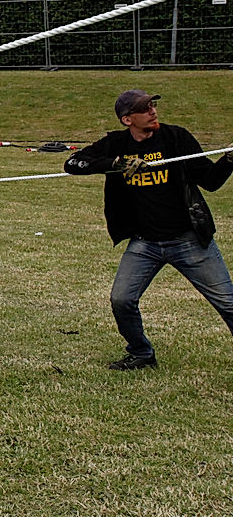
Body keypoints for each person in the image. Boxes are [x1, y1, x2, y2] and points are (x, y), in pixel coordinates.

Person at [64, 89, 233, 370]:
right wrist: (117, 164)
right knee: (121, 300)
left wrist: (228, 160)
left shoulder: (176, 138)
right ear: (127, 119)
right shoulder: (116, 143)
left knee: (228, 303)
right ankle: (141, 353)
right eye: (145, 109)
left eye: (153, 105)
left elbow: (211, 181)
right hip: (145, 244)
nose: (153, 111)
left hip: (188, 239)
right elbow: (72, 164)